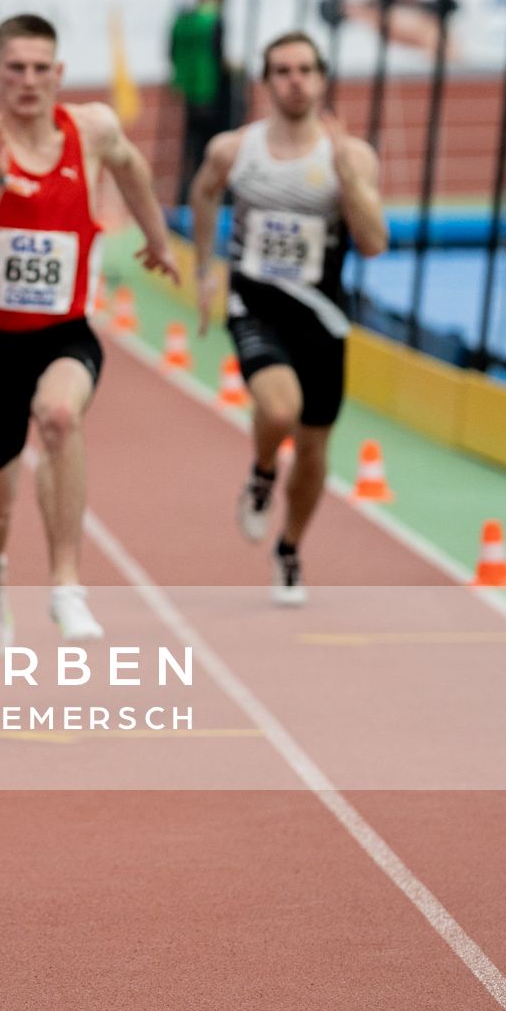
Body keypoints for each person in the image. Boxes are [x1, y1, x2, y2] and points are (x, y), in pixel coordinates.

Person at [0, 13, 179, 649]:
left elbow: (131, 168)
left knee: (60, 416)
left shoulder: (92, 129)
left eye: (41, 68)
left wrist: (157, 239)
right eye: (15, 67)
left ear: (59, 74)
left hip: (65, 333)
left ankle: (67, 585)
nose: (28, 79)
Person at [189, 32, 384, 604]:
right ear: (266, 82)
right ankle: (262, 471)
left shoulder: (351, 155)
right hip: (255, 302)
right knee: (280, 408)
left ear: (322, 78)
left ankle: (290, 546)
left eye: (304, 69)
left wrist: (349, 179)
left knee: (317, 448)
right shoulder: (235, 149)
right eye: (282, 70)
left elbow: (373, 243)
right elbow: (203, 194)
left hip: (322, 315)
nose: (294, 80)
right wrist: (205, 269)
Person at [169, 0, 228, 207]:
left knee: (192, 148)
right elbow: (218, 55)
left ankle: (185, 197)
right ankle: (208, 199)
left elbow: (171, 52)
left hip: (188, 90)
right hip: (210, 90)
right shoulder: (214, 21)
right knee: (212, 149)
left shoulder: (183, 20)